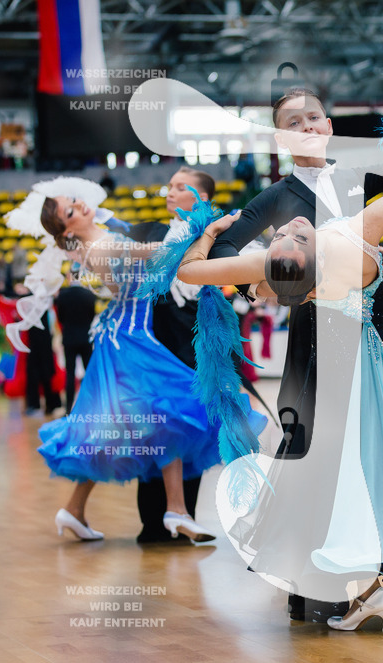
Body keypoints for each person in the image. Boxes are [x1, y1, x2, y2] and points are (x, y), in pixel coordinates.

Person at [209, 87, 383, 622]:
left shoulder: (360, 173)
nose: (308, 126)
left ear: (328, 124)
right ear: (280, 137)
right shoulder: (274, 198)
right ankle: (340, 566)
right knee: (325, 443)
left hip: (380, 318)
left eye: (314, 116)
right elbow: (226, 251)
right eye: (294, 121)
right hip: (316, 328)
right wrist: (265, 282)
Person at [15, 184, 253, 543]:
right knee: (164, 412)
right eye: (70, 211)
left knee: (140, 423)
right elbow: (157, 252)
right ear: (67, 229)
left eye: (74, 201)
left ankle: (80, 510)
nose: (80, 206)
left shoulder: (98, 240)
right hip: (128, 342)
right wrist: (205, 231)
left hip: (130, 335)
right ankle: (175, 510)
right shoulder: (102, 245)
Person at [125, 166, 219, 543]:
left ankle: (185, 517)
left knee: (190, 430)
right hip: (153, 348)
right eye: (170, 186)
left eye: (181, 188)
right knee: (155, 431)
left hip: (193, 346)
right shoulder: (151, 231)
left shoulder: (213, 237)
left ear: (202, 199)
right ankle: (152, 521)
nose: (170, 192)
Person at [54, 273, 97, 415]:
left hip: (69, 339)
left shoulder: (62, 295)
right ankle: (94, 405)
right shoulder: (89, 295)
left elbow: (60, 317)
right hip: (85, 338)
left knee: (70, 375)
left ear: (68, 277)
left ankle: (68, 409)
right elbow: (91, 316)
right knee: (89, 372)